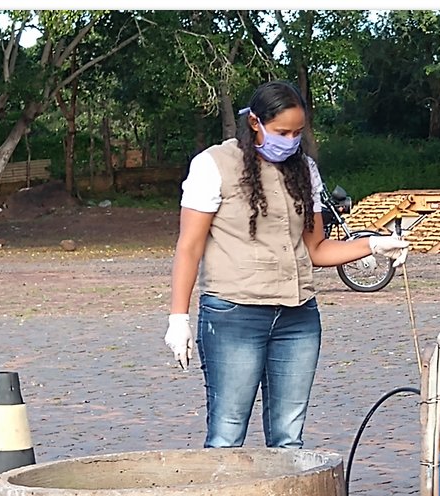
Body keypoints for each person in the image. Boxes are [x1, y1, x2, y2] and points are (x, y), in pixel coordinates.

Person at [165, 80, 410, 449]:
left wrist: (372, 244)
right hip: (234, 313)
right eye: (281, 132)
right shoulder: (213, 165)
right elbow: (189, 247)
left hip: (298, 315)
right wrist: (178, 318)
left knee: (288, 437)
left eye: (297, 132)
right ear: (255, 124)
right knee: (227, 433)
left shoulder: (304, 169)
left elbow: (317, 249)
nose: (290, 140)